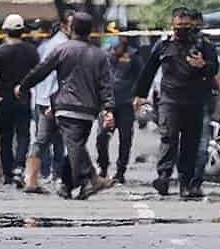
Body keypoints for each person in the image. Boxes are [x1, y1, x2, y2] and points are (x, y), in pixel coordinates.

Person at [19, 12, 116, 200]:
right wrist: (108, 109)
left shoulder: (62, 49)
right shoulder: (100, 55)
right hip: (87, 110)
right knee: (75, 145)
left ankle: (82, 181)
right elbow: (106, 85)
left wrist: (23, 86)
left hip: (64, 106)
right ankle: (82, 181)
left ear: (71, 29)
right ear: (91, 31)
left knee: (74, 146)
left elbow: (41, 71)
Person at [134, 7, 219, 199]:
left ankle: (186, 183)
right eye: (178, 26)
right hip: (169, 100)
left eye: (186, 26)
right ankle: (163, 176)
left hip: (194, 101)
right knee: (169, 138)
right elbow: (148, 70)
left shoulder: (204, 46)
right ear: (173, 26)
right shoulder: (163, 45)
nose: (182, 29)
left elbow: (214, 68)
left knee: (190, 144)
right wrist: (139, 95)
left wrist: (203, 65)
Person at [0, 14, 40, 185]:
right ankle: (19, 167)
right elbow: (37, 72)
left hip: (3, 98)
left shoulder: (0, 52)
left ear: (6, 30)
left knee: (5, 137)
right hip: (24, 96)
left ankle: (8, 174)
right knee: (24, 134)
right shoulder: (31, 51)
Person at [22, 16, 68, 193]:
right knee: (45, 139)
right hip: (45, 99)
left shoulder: (51, 46)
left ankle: (51, 174)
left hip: (48, 99)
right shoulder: (49, 47)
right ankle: (41, 175)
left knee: (51, 140)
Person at [189, 10, 220, 189]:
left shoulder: (208, 46)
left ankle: (195, 182)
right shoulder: (174, 44)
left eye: (198, 24)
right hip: (177, 100)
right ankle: (179, 179)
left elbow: (214, 71)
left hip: (202, 100)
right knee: (180, 143)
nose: (195, 28)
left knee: (202, 144)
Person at [96, 36, 141, 183]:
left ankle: (121, 171)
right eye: (111, 48)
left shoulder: (133, 56)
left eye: (116, 48)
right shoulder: (104, 57)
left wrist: (138, 96)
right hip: (107, 104)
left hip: (126, 104)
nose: (113, 51)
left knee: (125, 138)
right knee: (102, 136)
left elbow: (141, 77)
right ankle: (102, 167)